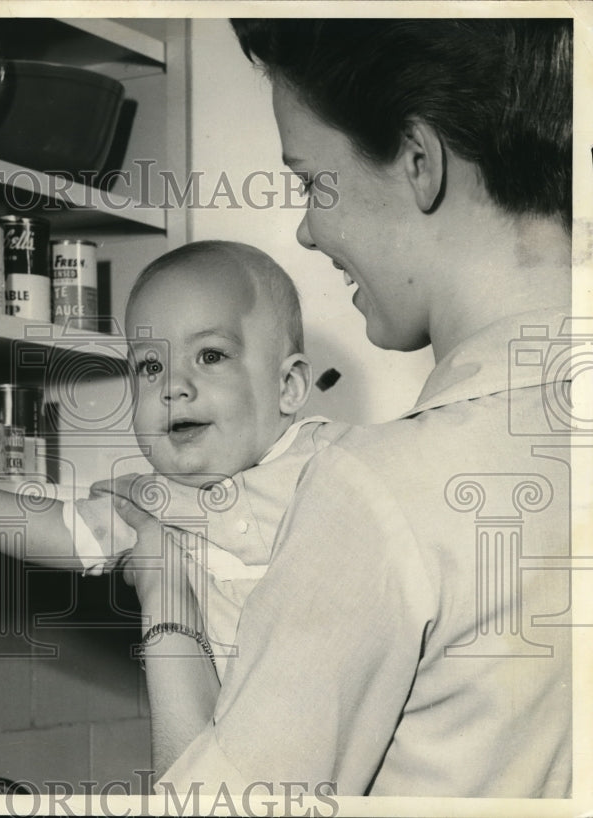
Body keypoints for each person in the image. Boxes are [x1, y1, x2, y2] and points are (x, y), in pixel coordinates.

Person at [120, 18, 574, 798]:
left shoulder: (379, 490)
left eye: (309, 181)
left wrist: (165, 589)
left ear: (417, 160)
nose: (306, 226)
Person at [0, 240, 345, 676]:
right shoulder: (146, 506)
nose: (173, 387)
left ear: (289, 387)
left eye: (211, 356)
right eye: (151, 366)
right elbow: (54, 530)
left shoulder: (332, 465)